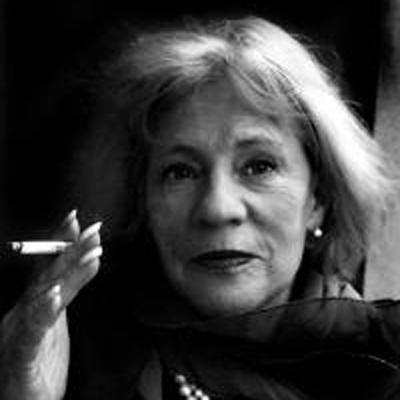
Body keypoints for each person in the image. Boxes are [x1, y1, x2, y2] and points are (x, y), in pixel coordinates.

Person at [0, 15, 398, 400]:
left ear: (319, 199)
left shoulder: (386, 364)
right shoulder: (82, 360)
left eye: (259, 166)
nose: (217, 208)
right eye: (181, 172)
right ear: (143, 203)